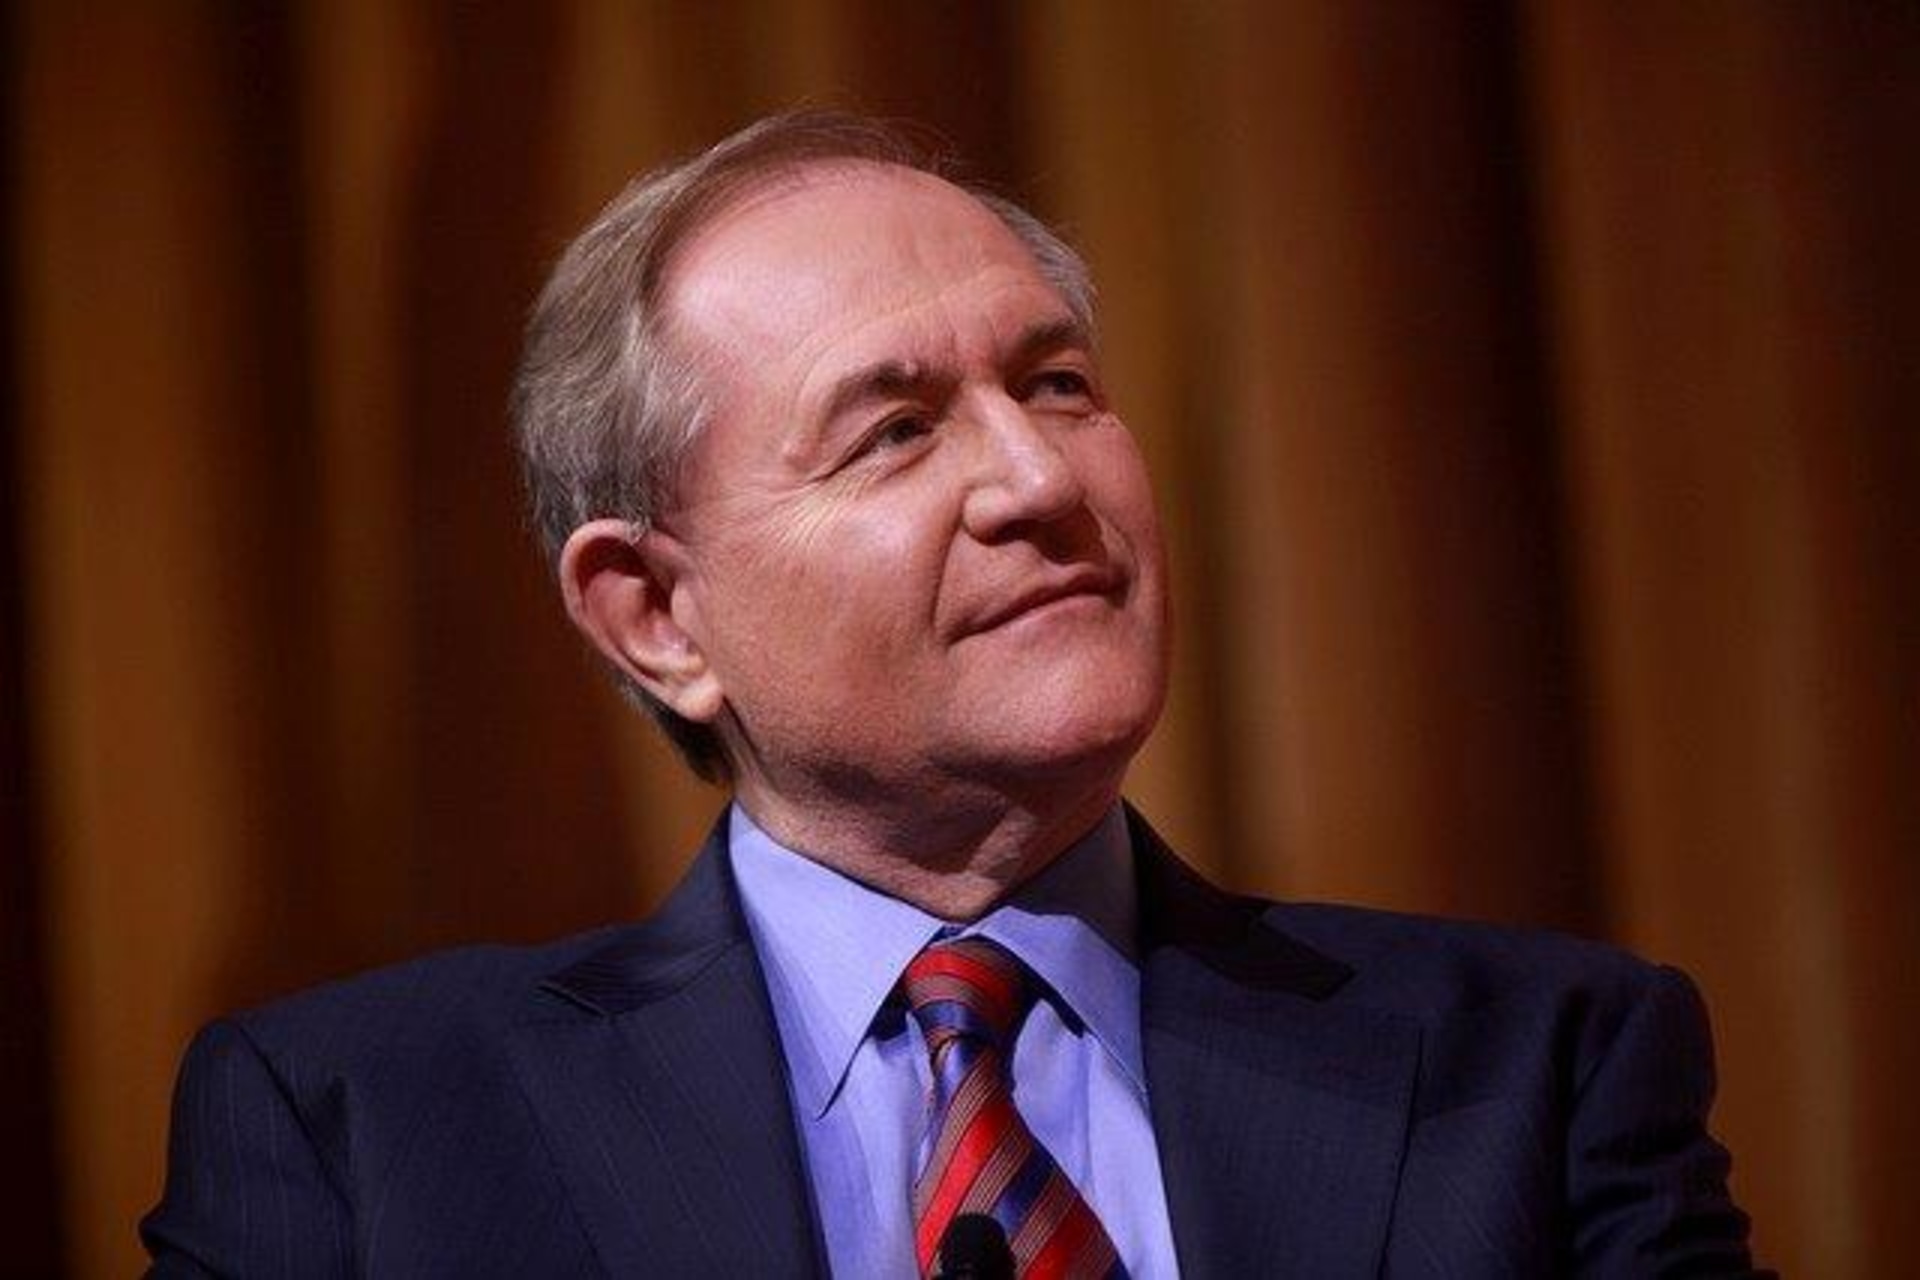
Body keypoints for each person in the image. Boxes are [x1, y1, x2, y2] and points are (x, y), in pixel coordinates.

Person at [143, 111, 1759, 1278]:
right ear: (654, 614)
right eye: (897, 430)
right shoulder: (360, 1137)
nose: (1039, 478)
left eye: (1058, 383)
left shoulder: (1540, 1072)